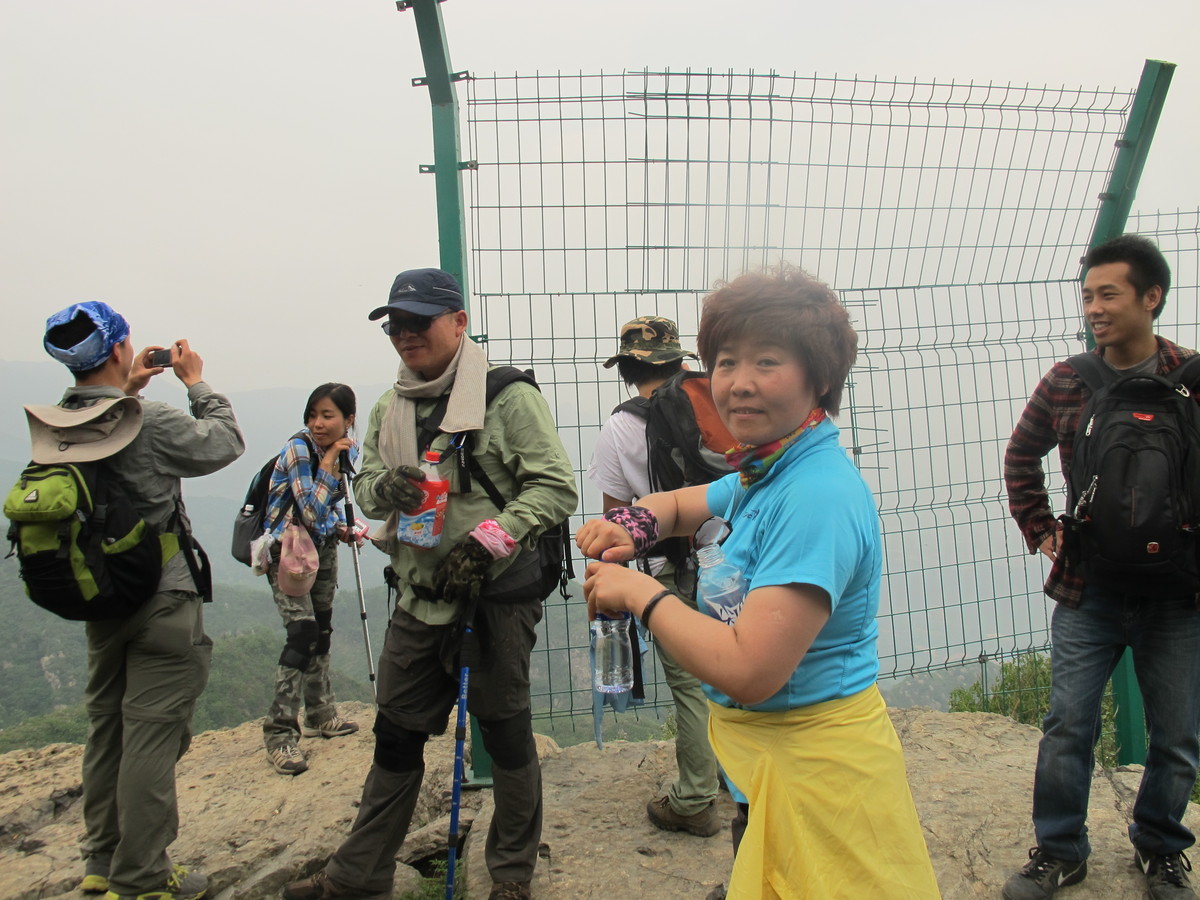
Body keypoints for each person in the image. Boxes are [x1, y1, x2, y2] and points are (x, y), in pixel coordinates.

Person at [576, 265, 941, 899]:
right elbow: (685, 502)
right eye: (725, 361)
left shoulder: (814, 495)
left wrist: (638, 593)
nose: (739, 383)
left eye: (767, 361)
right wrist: (634, 524)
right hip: (769, 769)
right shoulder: (766, 468)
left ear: (818, 376)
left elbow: (750, 671)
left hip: (819, 777)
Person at [282, 268, 578, 900]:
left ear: (459, 322)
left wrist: (489, 541)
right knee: (395, 736)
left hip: (494, 600)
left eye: (419, 321)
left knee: (506, 733)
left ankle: (510, 875)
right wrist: (384, 488)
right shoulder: (391, 406)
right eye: (395, 324)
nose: (405, 334)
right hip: (417, 598)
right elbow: (366, 491)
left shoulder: (506, 399)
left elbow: (555, 487)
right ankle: (357, 878)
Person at [1002, 234, 1200, 900]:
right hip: (1088, 586)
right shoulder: (1068, 380)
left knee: (1177, 734)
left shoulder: (1195, 378)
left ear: (1152, 297)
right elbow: (1020, 455)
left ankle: (1160, 847)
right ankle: (1060, 851)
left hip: (1178, 592)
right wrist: (1041, 530)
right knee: (1067, 725)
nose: (1094, 309)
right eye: (1087, 296)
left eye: (1108, 294)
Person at [39, 301, 244, 900]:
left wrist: (124, 389)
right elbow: (224, 442)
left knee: (108, 731)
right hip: (162, 599)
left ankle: (101, 862)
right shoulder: (147, 420)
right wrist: (195, 382)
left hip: (99, 599)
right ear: (119, 349)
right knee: (151, 738)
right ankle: (143, 878)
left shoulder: (56, 424)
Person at [587, 315, 721, 837]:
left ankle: (694, 800)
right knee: (736, 667)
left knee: (689, 683)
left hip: (665, 569)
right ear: (679, 360)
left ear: (626, 369)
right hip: (731, 559)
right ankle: (739, 776)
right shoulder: (714, 404)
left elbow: (615, 519)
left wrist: (613, 588)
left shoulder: (620, 428)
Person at [261, 383, 362, 776]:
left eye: (327, 416)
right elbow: (310, 506)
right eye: (313, 415)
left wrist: (343, 528)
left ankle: (321, 713)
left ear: (348, 419)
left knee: (321, 629)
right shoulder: (300, 449)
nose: (317, 423)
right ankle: (280, 735)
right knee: (301, 634)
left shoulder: (346, 449)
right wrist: (330, 461)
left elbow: (329, 508)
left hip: (320, 547)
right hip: (286, 551)